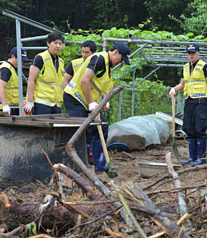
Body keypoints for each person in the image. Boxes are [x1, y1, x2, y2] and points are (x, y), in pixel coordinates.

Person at [64, 42, 131, 172]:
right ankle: (81, 166)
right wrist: (91, 103)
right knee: (84, 131)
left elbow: (105, 87)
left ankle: (100, 164)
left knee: (102, 127)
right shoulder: (99, 59)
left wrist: (105, 102)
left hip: (88, 102)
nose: (121, 62)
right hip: (75, 98)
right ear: (116, 52)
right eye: (121, 59)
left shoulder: (108, 68)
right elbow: (85, 80)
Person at [169, 43, 207, 165]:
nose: (191, 55)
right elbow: (182, 84)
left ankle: (201, 158)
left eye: (193, 53)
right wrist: (174, 89)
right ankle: (192, 156)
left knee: (200, 128)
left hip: (201, 101)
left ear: (198, 53)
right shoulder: (185, 67)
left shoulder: (204, 66)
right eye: (189, 53)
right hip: (189, 101)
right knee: (189, 128)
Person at [24, 32, 65, 115]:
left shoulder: (61, 62)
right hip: (41, 104)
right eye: (55, 43)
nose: (58, 46)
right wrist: (30, 101)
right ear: (48, 43)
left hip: (56, 104)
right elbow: (31, 80)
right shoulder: (40, 58)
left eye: (60, 44)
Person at [0, 47, 32, 115]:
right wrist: (5, 105)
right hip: (6, 109)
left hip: (14, 108)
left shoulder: (14, 69)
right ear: (13, 56)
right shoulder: (6, 69)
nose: (22, 63)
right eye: (21, 60)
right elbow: (0, 87)